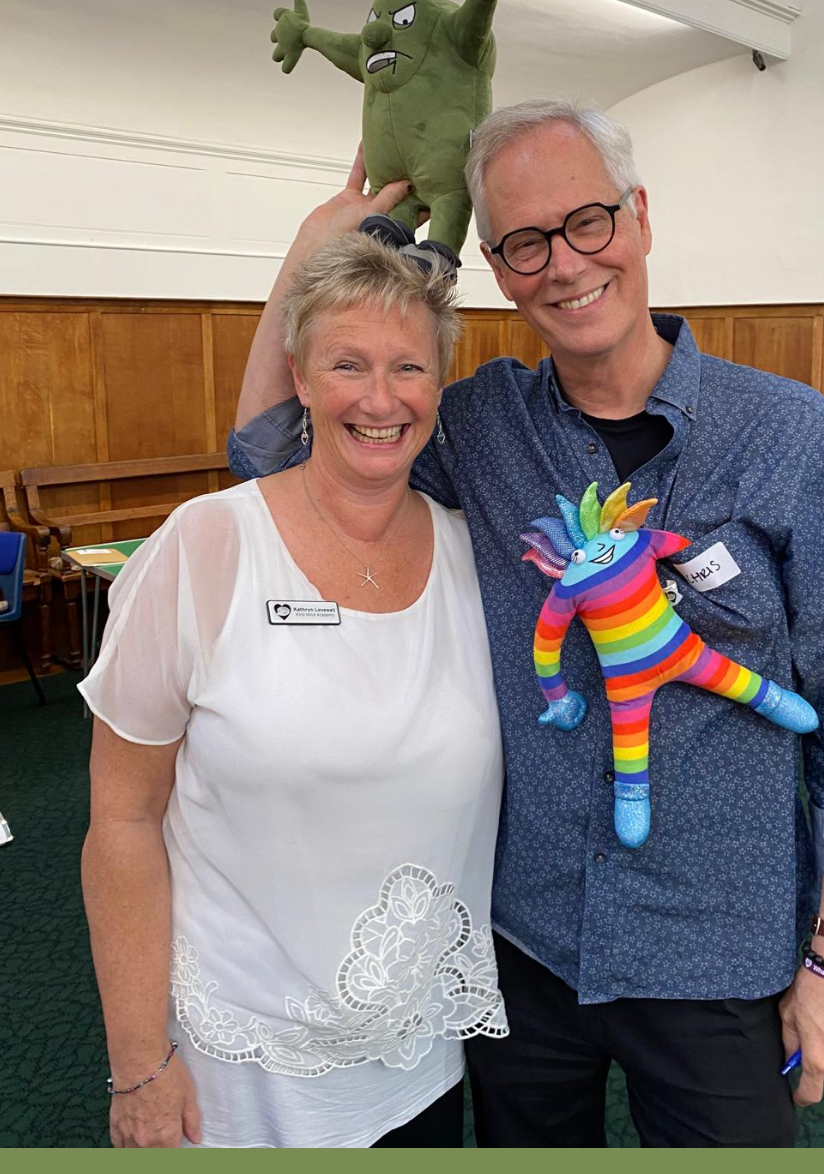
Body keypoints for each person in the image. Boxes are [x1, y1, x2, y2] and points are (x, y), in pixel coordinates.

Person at [228, 99, 824, 1148]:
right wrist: (312, 250)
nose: (565, 263)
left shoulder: (787, 436)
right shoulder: (477, 427)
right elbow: (274, 449)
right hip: (526, 946)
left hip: (716, 952)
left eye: (588, 221)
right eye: (526, 243)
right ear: (498, 269)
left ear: (639, 217)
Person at [80, 220, 507, 1149]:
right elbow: (121, 819)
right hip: (237, 1074)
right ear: (301, 378)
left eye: (408, 367)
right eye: (347, 364)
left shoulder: (476, 561)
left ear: (439, 386)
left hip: (418, 1059)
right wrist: (139, 1060)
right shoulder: (204, 546)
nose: (381, 398)